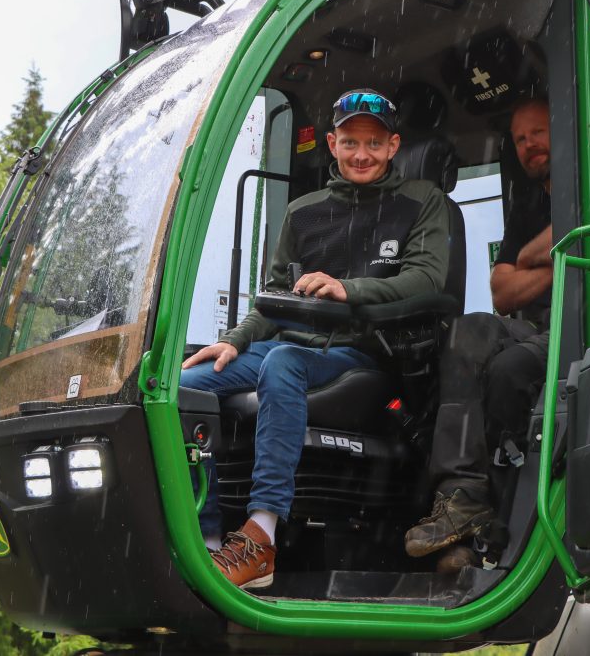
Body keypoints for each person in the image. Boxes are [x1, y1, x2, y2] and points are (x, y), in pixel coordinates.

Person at [180, 88, 452, 589]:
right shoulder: (303, 212)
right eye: (350, 142)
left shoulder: (422, 204)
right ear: (332, 143)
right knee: (183, 386)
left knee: (282, 362)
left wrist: (347, 289)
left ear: (394, 146)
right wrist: (236, 340)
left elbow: (426, 280)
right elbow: (275, 297)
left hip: (365, 355)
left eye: (374, 143)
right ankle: (210, 543)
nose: (362, 154)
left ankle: (260, 537)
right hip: (286, 345)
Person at [403, 97, 553, 570]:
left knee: (509, 370)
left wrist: (536, 258)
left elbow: (582, 234)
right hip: (528, 327)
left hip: (580, 328)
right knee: (465, 333)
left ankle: (504, 526)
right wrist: (555, 259)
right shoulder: (530, 204)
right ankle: (462, 496)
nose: (530, 145)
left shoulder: (589, 186)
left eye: (539, 133)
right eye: (521, 139)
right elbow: (503, 291)